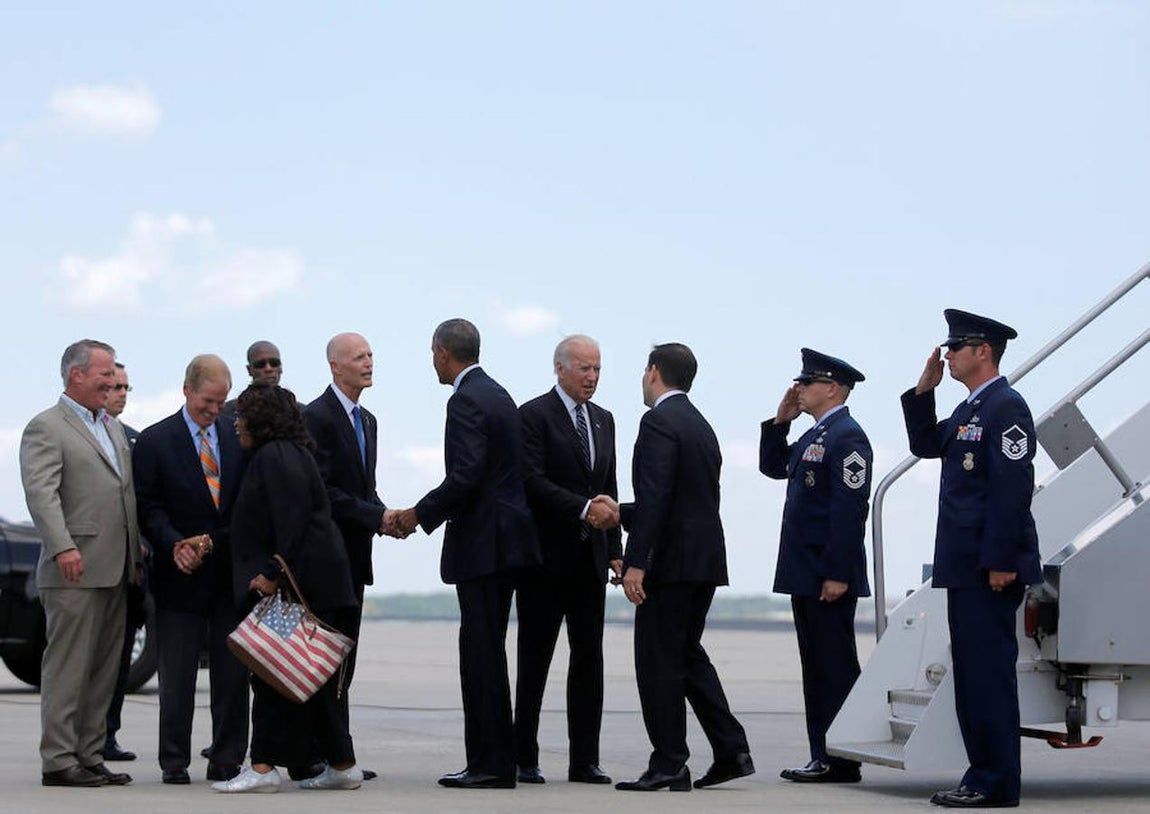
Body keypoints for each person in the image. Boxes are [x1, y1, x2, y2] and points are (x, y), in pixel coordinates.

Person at [901, 309, 1042, 809]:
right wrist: (924, 392)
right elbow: (926, 443)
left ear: (984, 351)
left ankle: (995, 782)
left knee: (988, 678)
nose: (948, 356)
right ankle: (982, 776)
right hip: (965, 564)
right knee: (972, 677)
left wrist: (1002, 559)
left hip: (989, 567)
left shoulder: (1006, 407)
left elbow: (1011, 489)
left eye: (956, 347)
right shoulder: (970, 409)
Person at [392, 318, 541, 789]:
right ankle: (497, 760)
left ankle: (489, 764)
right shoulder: (500, 394)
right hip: (508, 542)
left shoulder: (465, 400)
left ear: (442, 352)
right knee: (489, 651)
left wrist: (417, 514)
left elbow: (466, 475)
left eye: (432, 354)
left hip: (483, 544)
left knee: (480, 656)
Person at [603, 343, 754, 792]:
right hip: (702, 561)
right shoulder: (700, 424)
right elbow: (683, 499)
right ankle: (731, 750)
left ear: (653, 372)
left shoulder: (658, 422)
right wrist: (621, 513)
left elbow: (657, 498)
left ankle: (669, 762)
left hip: (670, 566)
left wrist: (636, 563)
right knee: (686, 656)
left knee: (657, 662)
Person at [215, 384, 362, 793]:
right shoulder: (288, 453)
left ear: (263, 419)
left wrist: (272, 572)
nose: (237, 423)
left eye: (243, 415)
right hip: (316, 582)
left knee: (271, 672)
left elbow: (292, 521)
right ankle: (342, 764)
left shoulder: (276, 455)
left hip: (301, 587)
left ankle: (262, 768)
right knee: (311, 677)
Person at [19, 339, 142, 787]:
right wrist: (62, 546)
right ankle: (58, 759)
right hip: (74, 569)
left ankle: (90, 755)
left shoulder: (110, 426)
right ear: (77, 374)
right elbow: (42, 494)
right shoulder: (47, 427)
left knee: (103, 671)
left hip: (116, 567)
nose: (112, 382)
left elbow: (123, 495)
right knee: (68, 669)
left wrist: (136, 555)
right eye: (105, 374)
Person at [132, 355, 250, 785]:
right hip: (178, 574)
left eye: (221, 403)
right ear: (187, 390)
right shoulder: (155, 440)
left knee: (232, 674)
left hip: (228, 574)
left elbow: (246, 504)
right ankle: (174, 760)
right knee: (177, 675)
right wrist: (174, 545)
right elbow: (147, 506)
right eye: (207, 402)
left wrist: (211, 541)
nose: (215, 411)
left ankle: (227, 758)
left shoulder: (237, 437)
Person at [513, 335, 621, 785]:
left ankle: (585, 760)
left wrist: (615, 551)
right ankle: (524, 756)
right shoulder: (533, 415)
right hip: (544, 561)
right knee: (534, 661)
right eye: (584, 369)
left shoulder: (603, 419)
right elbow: (530, 481)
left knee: (589, 660)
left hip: (590, 561)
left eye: (597, 369)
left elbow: (608, 486)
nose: (592, 377)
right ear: (560, 368)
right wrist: (582, 508)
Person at [760, 348, 872, 784]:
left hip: (827, 574)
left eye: (807, 383)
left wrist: (838, 573)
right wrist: (780, 422)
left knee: (833, 667)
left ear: (833, 389)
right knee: (817, 668)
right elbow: (773, 466)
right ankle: (823, 754)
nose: (799, 388)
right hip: (806, 571)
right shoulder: (816, 435)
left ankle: (840, 758)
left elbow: (850, 511)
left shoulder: (847, 437)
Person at [303, 332, 392, 782]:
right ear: (335, 366)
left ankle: (339, 753)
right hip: (325, 562)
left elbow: (362, 489)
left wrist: (387, 517)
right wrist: (378, 516)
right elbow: (323, 491)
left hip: (356, 559)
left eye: (371, 355)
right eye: (359, 357)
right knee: (324, 660)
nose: (368, 362)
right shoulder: (315, 417)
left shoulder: (368, 420)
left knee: (345, 662)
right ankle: (321, 754)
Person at [102, 362, 146, 763]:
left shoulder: (134, 441)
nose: (121, 394)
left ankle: (108, 733)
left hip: (131, 569)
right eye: (115, 386)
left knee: (118, 659)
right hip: (94, 566)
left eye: (126, 387)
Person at [222, 341, 282, 415]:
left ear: (280, 367)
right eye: (260, 364)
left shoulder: (294, 411)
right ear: (249, 370)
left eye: (274, 363)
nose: (268, 369)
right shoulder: (227, 413)